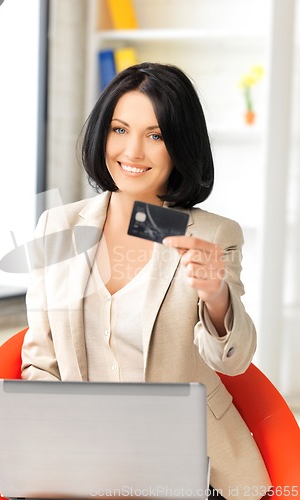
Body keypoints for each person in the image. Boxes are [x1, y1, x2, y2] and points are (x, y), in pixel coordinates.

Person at [21, 62, 271, 500]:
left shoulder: (212, 235)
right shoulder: (57, 229)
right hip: (85, 459)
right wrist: (64, 450)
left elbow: (235, 361)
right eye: (120, 130)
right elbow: (41, 363)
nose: (133, 152)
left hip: (189, 465)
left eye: (155, 136)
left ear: (180, 146)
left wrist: (217, 296)